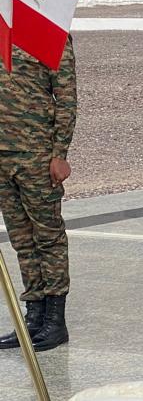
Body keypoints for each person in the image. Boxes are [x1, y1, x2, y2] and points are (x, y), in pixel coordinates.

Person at [0, 39, 76, 352]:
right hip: (3, 155)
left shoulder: (48, 29)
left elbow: (67, 98)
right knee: (21, 239)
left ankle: (55, 321)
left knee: (48, 237)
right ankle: (33, 316)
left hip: (37, 154)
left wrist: (60, 152)